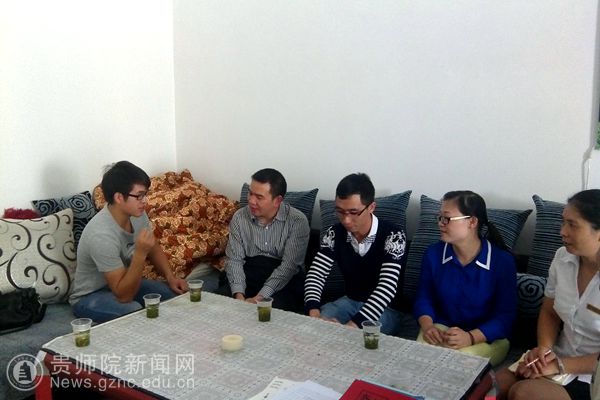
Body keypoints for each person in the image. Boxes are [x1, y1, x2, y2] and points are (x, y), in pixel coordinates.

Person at [495, 189, 600, 400]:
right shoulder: (562, 258)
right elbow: (549, 311)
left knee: (523, 393)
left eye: (572, 225)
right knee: (493, 385)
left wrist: (559, 365)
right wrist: (544, 350)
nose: (563, 232)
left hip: (592, 376)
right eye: (563, 222)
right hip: (557, 357)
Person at [69, 161, 187, 323]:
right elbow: (124, 296)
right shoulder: (101, 235)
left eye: (145, 194)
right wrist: (139, 253)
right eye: (139, 196)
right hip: (90, 296)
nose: (144, 201)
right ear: (119, 197)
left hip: (121, 282)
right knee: (134, 312)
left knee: (173, 297)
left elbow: (153, 246)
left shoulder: (137, 214)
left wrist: (170, 277)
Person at [413, 190, 517, 367]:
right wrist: (428, 326)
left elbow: (505, 317)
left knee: (458, 363)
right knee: (419, 357)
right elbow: (424, 297)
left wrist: (470, 337)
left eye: (447, 218)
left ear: (472, 222)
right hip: (443, 328)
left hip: (487, 337)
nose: (440, 223)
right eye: (439, 217)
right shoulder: (433, 254)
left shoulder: (502, 262)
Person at [304, 173, 406, 335]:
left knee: (358, 336)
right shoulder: (334, 233)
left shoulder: (393, 235)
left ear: (371, 207)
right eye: (340, 211)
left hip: (386, 309)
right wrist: (314, 313)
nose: (346, 220)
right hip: (350, 301)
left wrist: (352, 326)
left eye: (353, 212)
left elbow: (387, 286)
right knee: (318, 326)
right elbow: (316, 275)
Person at [220, 168, 310, 312]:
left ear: (277, 200)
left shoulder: (297, 221)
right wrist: (239, 296)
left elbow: (288, 267)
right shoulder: (239, 217)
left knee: (268, 313)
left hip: (284, 281)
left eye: (259, 197)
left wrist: (259, 299)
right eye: (250, 193)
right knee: (219, 303)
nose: (251, 201)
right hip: (248, 273)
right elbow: (234, 260)